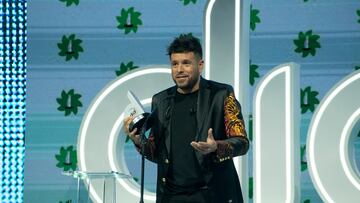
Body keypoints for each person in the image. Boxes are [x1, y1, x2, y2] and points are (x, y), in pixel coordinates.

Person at [123, 33, 249, 203]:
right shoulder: (160, 101)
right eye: (175, 64)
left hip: (212, 195)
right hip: (171, 196)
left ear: (200, 64)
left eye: (186, 63)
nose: (179, 69)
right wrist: (139, 141)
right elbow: (157, 154)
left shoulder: (221, 95)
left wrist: (216, 147)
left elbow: (242, 143)